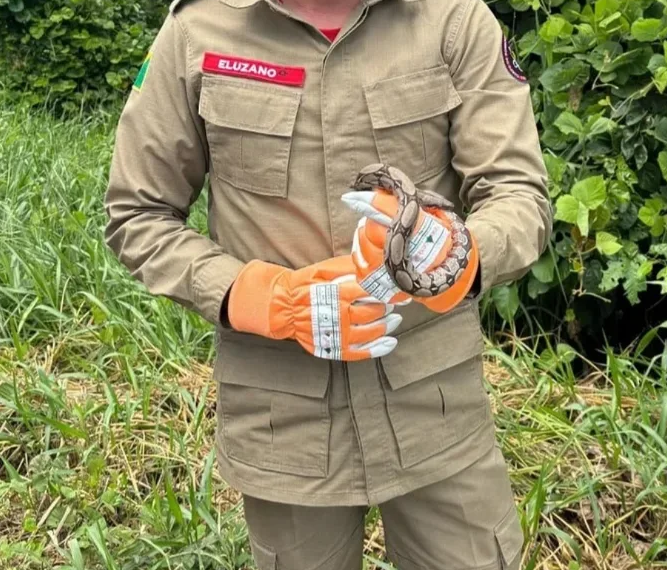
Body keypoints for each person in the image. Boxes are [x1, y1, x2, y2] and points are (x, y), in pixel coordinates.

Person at [102, 0, 553, 567]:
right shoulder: (198, 29)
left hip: (436, 411)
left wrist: (456, 253)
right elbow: (137, 213)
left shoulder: (453, 19)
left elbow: (517, 194)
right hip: (284, 420)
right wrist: (264, 298)